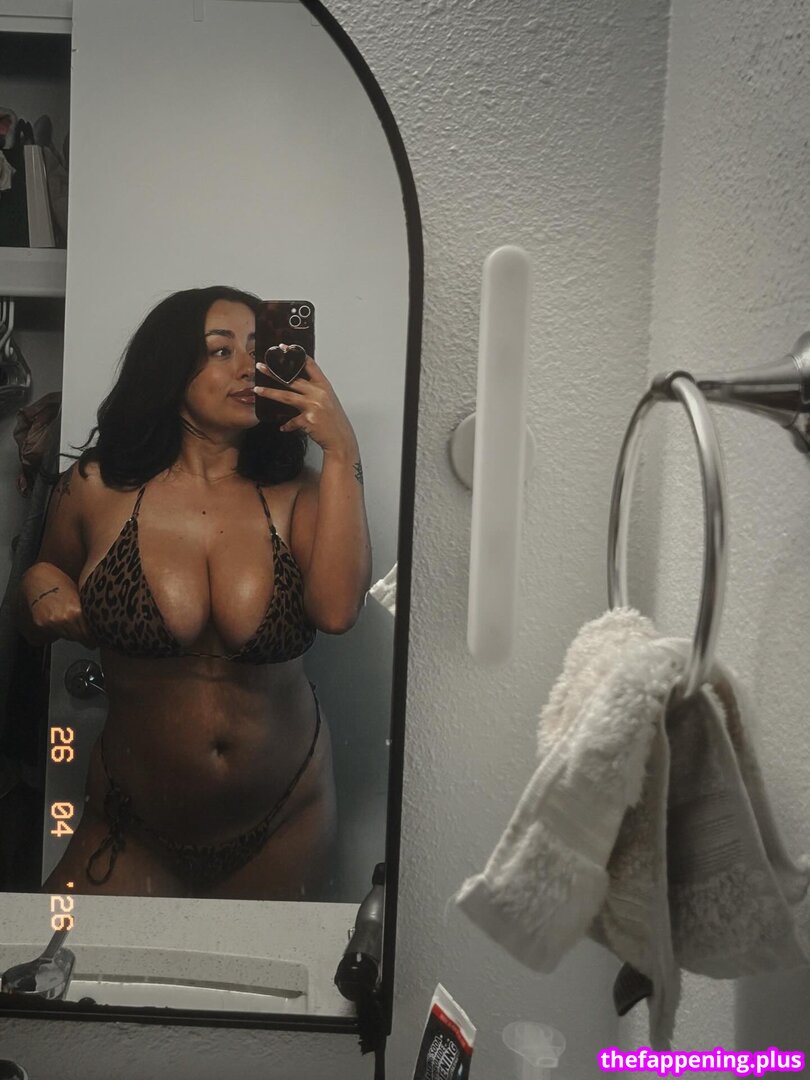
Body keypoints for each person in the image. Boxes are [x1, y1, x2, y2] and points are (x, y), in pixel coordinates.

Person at [16, 286, 371, 900]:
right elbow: (35, 605)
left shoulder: (303, 491)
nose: (247, 367)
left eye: (257, 349)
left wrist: (342, 448)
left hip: (285, 821)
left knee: (270, 969)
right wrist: (36, 585)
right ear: (170, 368)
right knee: (57, 958)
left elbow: (337, 611)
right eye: (220, 350)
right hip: (131, 826)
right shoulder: (95, 486)